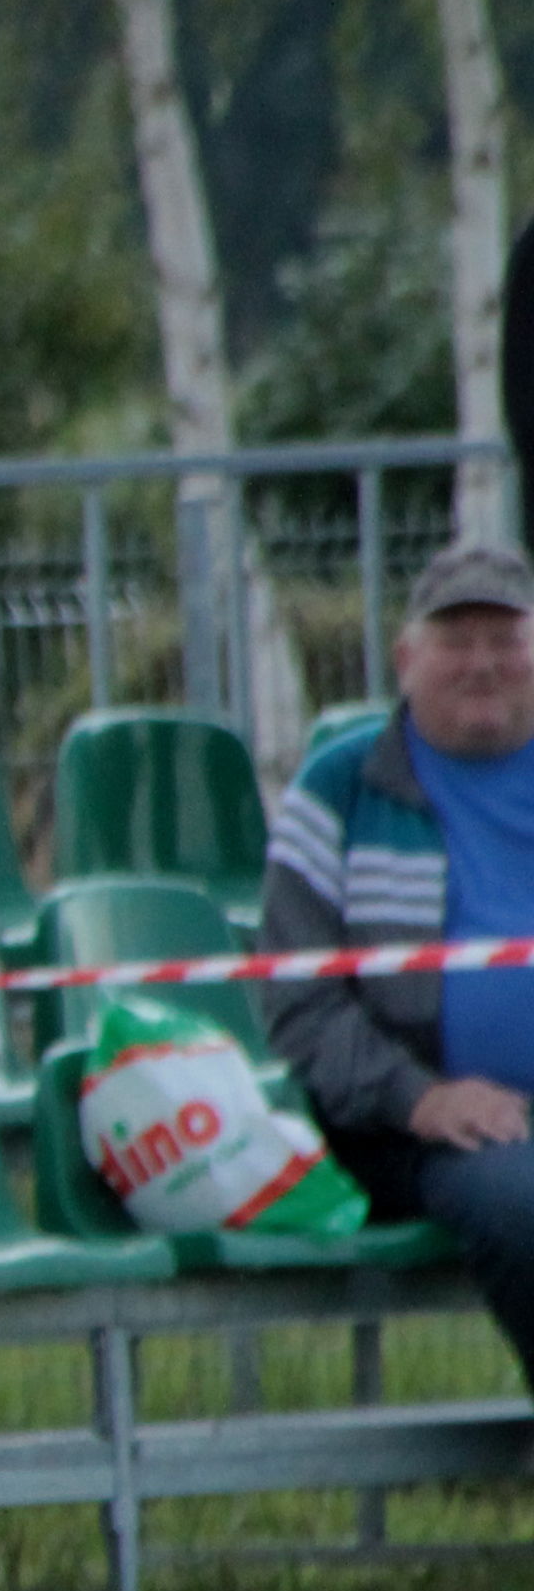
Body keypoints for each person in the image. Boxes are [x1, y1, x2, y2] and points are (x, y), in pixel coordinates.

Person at [266, 541, 534, 1371]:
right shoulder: (340, 789)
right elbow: (298, 1005)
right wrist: (419, 1098)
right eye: (457, 641)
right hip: (411, 1130)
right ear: (406, 658)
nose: (483, 664)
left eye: (506, 639)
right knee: (522, 1201)